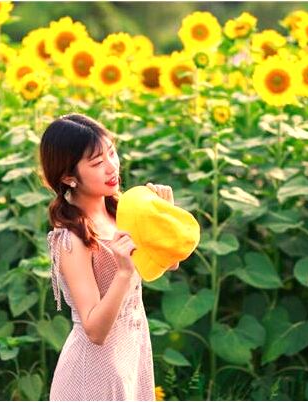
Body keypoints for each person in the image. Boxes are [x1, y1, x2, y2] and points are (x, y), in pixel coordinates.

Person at [38, 113, 178, 401]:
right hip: (91, 376)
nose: (112, 167)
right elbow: (95, 331)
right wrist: (124, 274)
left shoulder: (123, 211)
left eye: (111, 152)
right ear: (68, 177)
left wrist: (166, 218)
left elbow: (169, 263)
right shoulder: (71, 238)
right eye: (97, 162)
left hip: (131, 359)